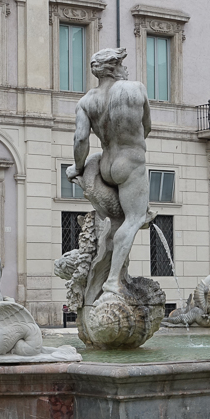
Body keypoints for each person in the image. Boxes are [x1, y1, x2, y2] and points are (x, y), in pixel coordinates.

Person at [66, 47, 153, 299]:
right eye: (123, 64)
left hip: (105, 163)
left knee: (117, 222)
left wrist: (79, 167)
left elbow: (81, 139)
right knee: (134, 219)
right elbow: (147, 127)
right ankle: (112, 282)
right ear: (115, 67)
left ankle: (107, 270)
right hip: (130, 162)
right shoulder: (135, 88)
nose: (126, 69)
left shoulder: (86, 101)